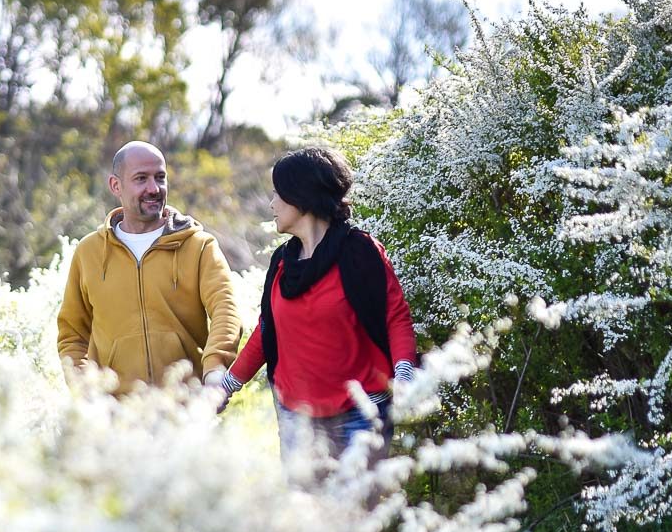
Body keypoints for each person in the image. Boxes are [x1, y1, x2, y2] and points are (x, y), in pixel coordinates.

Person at [216, 146, 419, 469]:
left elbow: (395, 318)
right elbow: (268, 332)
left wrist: (404, 374)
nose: (271, 204)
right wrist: (226, 387)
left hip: (361, 417)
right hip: (298, 422)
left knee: (354, 516)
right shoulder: (282, 262)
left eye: (278, 194)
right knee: (306, 517)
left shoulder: (360, 252)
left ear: (301, 197)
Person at [56, 141, 242, 392]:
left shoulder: (199, 246)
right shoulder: (88, 252)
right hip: (115, 413)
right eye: (141, 179)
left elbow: (225, 309)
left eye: (160, 177)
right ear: (116, 185)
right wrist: (84, 389)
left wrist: (215, 370)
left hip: (186, 405)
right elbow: (72, 333)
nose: (154, 188)